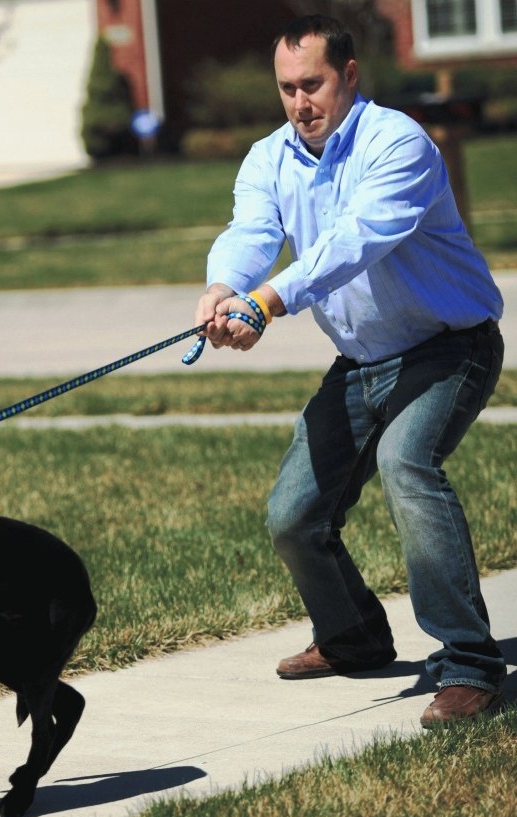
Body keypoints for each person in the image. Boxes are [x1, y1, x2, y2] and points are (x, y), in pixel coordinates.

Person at [193, 14, 505, 728]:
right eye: (287, 89)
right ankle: (354, 635)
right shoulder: (268, 158)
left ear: (350, 76)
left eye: (314, 84)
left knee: (407, 464)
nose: (301, 102)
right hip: (362, 361)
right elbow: (250, 232)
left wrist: (266, 301)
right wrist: (222, 288)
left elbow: (353, 240)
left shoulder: (398, 144)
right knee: (293, 515)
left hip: (448, 345)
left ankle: (470, 664)